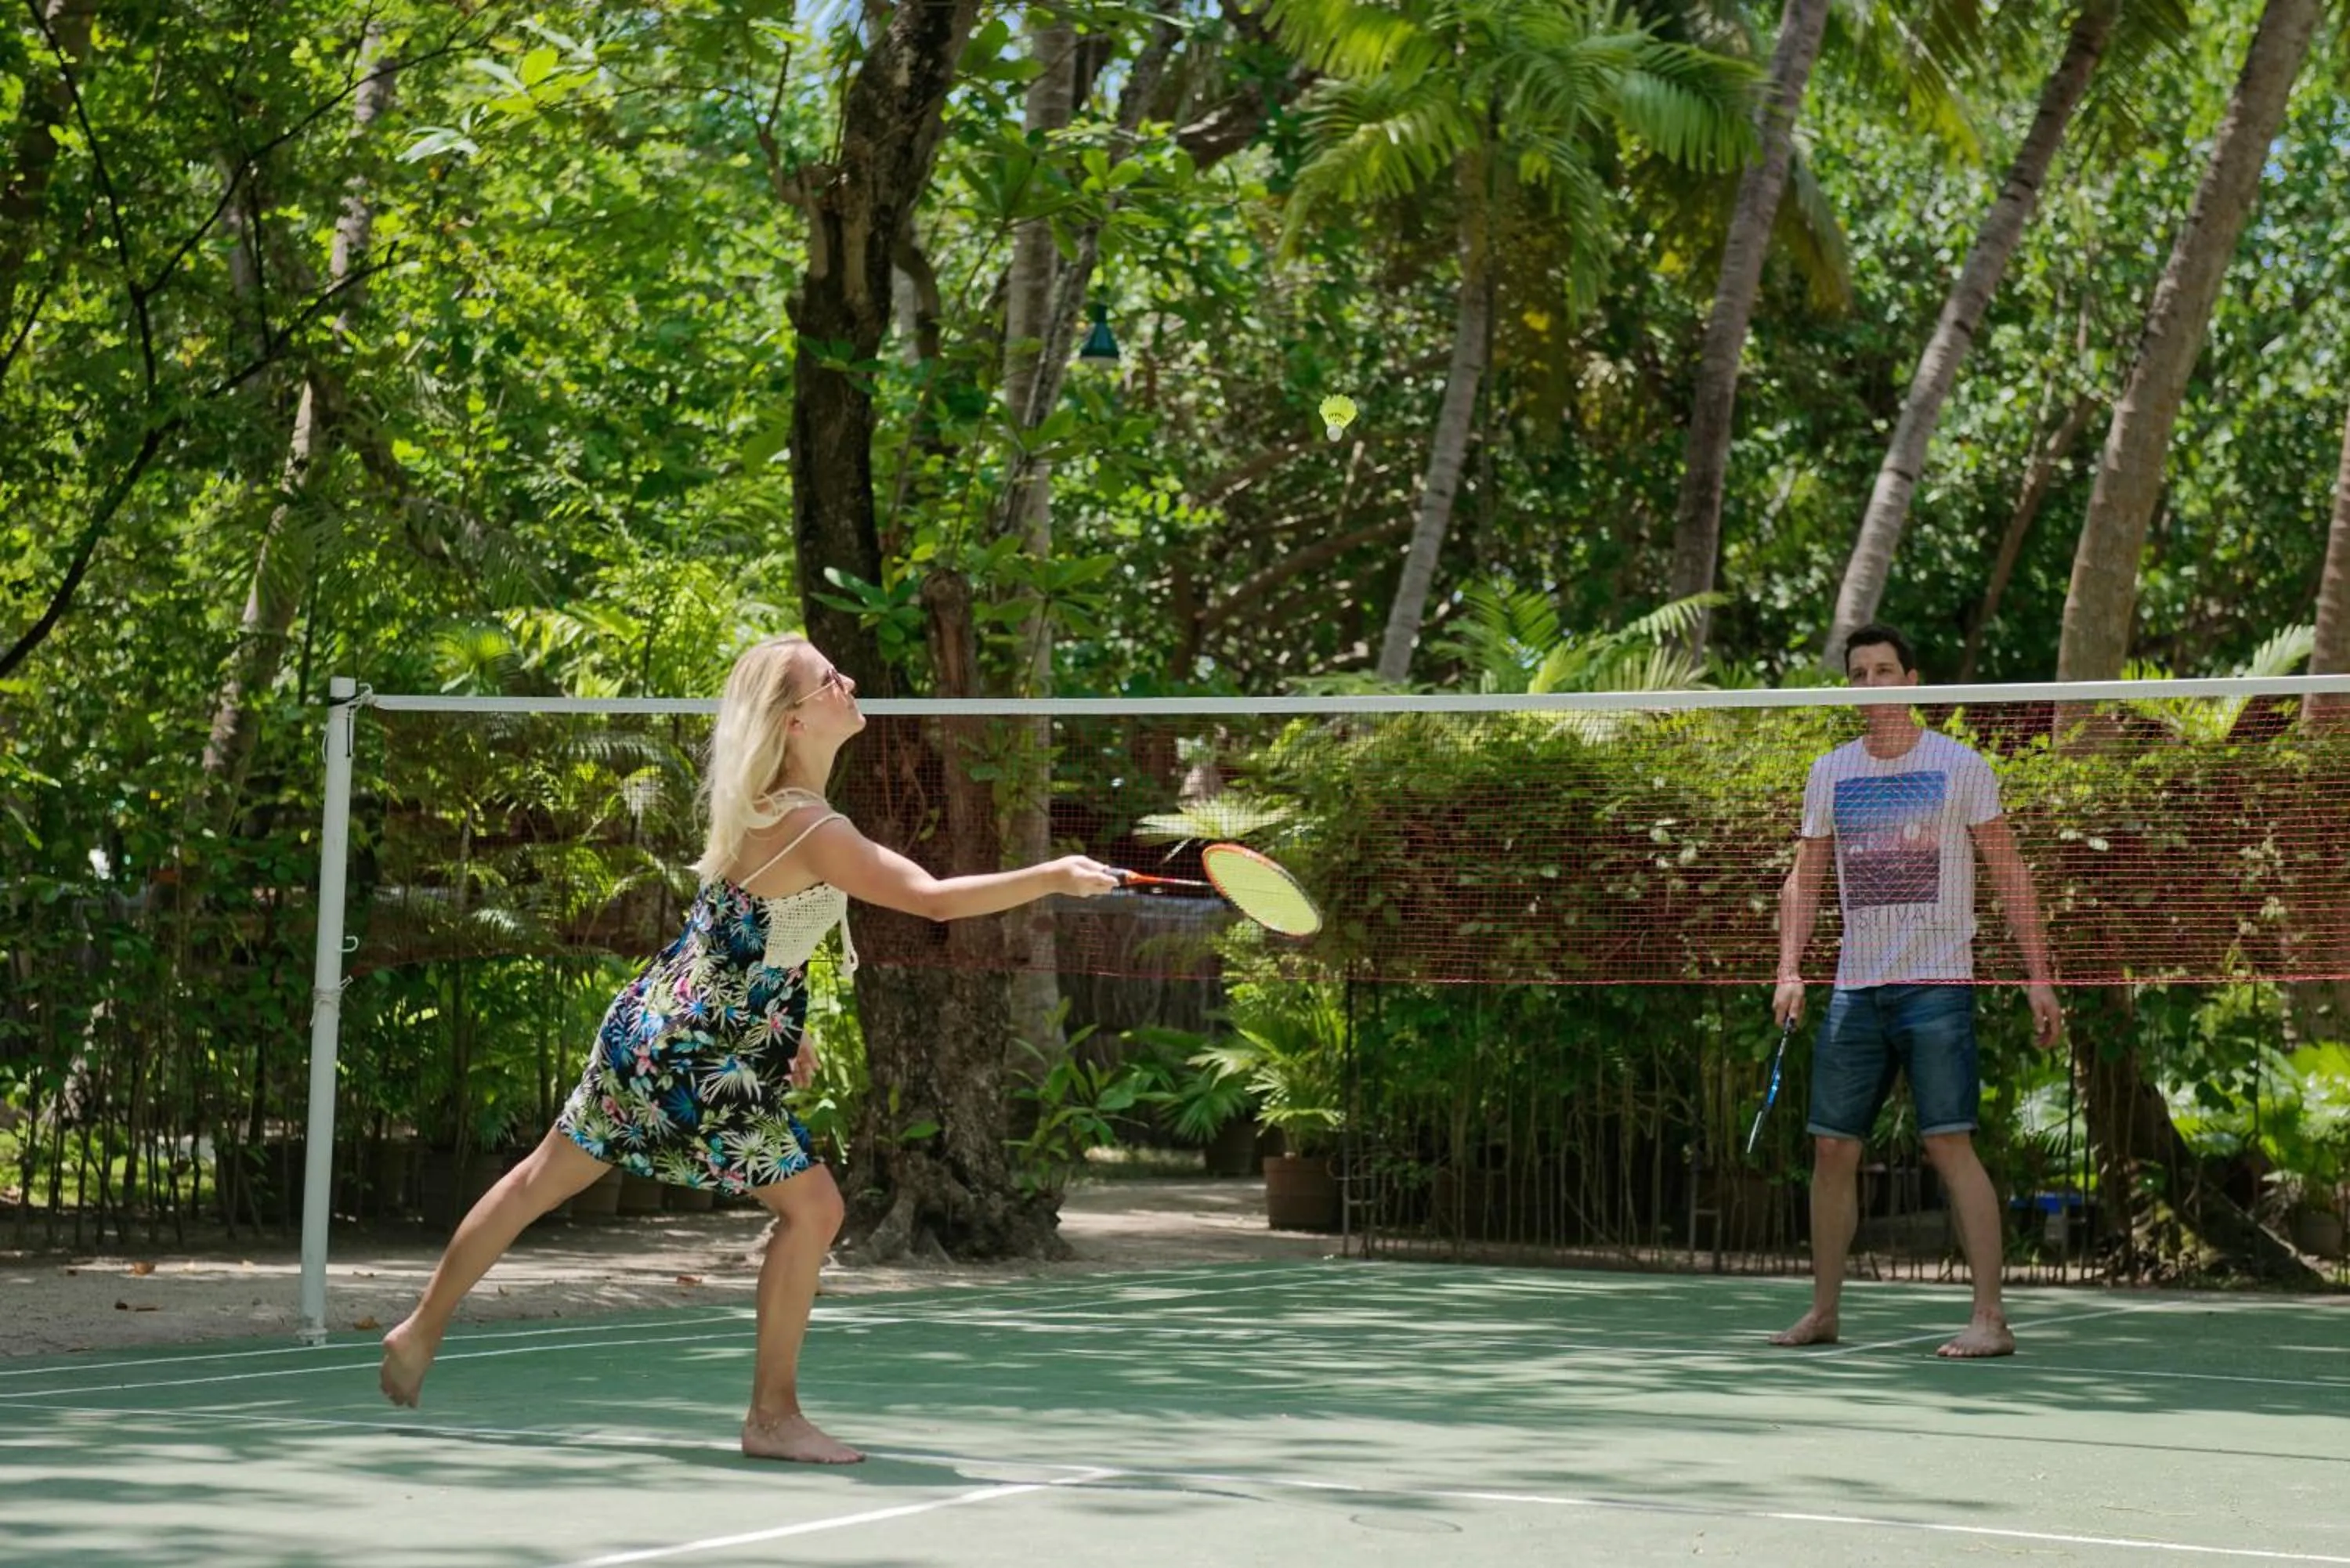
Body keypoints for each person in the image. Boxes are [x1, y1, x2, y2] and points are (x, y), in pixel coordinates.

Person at [377, 634, 1121, 1461]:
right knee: (816, 1209)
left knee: (536, 1183)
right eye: (831, 679)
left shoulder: (764, 804)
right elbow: (934, 903)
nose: (851, 682)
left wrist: (786, 1034)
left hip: (659, 1026)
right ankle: (772, 1417)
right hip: (700, 1053)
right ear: (796, 719)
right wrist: (1052, 874)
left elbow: (756, 936)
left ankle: (419, 1330)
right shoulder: (809, 824)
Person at [1770, 623, 2061, 1358]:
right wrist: (1789, 968)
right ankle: (1825, 1311)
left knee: (1948, 1143)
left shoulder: (1960, 766)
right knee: (1832, 1148)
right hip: (1855, 990)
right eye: (1859, 674)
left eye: (1884, 671)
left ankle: (1990, 1318)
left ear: (1913, 681)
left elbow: (2010, 874)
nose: (1871, 685)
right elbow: (1804, 878)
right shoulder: (1829, 771)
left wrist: (2039, 977)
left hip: (1937, 984)